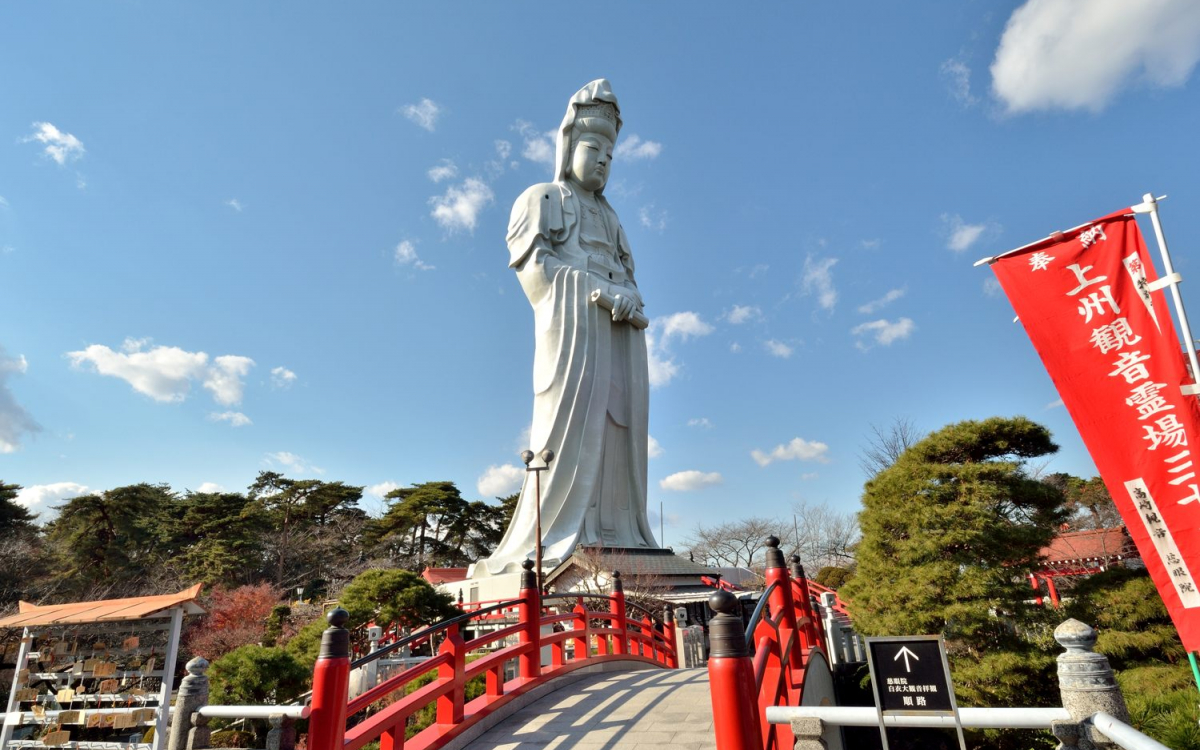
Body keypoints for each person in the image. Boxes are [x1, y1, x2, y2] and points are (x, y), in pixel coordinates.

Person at [476, 79, 656, 578]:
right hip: (576, 335)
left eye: (611, 155)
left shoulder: (613, 219)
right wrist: (595, 290)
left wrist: (628, 299)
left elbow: (631, 278)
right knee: (570, 431)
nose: (603, 160)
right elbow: (537, 275)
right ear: (569, 147)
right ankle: (557, 539)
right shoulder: (543, 198)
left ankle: (621, 533)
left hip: (619, 335)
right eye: (594, 147)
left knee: (621, 432)